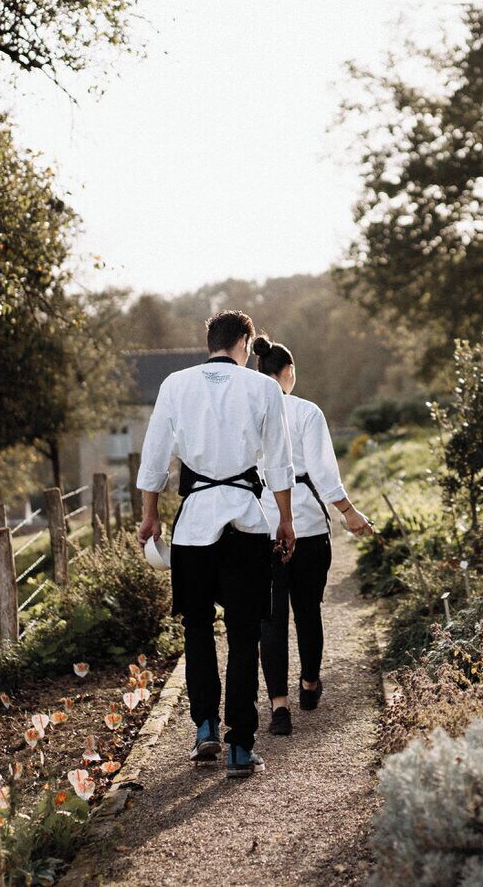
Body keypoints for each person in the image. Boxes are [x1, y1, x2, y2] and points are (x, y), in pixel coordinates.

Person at [137, 310, 295, 779]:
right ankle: (241, 749)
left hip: (194, 527)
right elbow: (281, 464)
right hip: (247, 522)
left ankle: (205, 726)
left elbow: (154, 458)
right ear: (244, 343)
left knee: (198, 630)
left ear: (209, 342)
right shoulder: (264, 388)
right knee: (245, 636)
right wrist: (285, 521)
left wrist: (150, 515)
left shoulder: (174, 384)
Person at [251, 335, 373, 737]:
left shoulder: (247, 413)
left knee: (270, 620)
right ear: (289, 373)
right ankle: (309, 684)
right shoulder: (306, 412)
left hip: (260, 528)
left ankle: (278, 706)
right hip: (306, 524)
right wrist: (349, 513)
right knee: (307, 611)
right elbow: (323, 473)